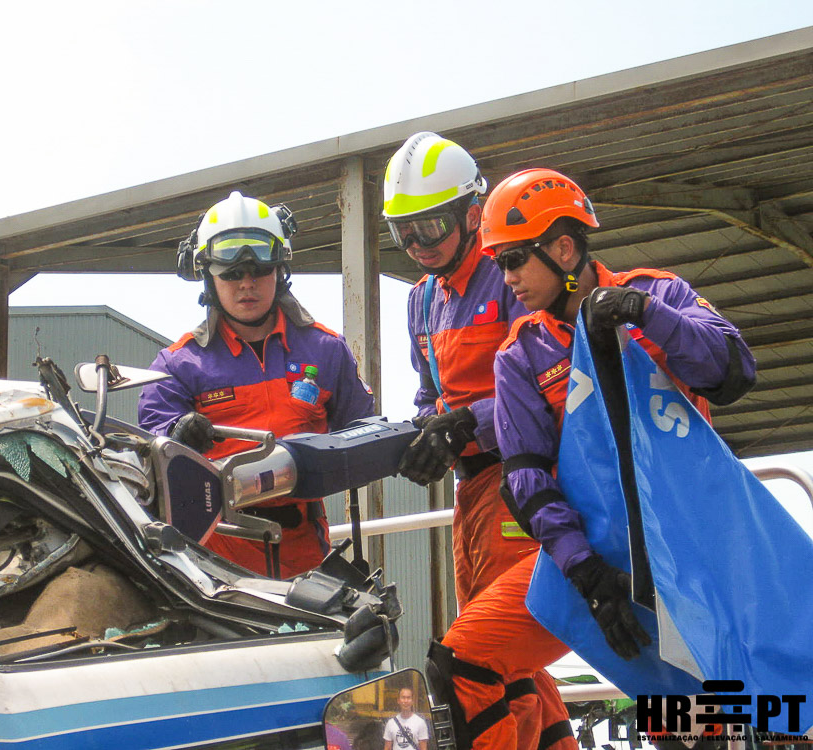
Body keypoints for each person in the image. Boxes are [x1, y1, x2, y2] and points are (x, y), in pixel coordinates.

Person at [424, 167, 756, 750]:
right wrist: (588, 576)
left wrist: (642, 315)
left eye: (515, 260)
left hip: (690, 551)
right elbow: (526, 479)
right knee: (460, 663)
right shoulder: (521, 351)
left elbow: (732, 370)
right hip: (593, 560)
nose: (506, 279)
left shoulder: (658, 292)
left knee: (694, 732)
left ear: (563, 247)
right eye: (499, 262)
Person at [384, 133, 572, 749]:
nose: (417, 245)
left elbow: (553, 380)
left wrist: (472, 422)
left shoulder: (511, 274)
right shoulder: (422, 301)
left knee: (481, 659)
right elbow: (428, 395)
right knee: (508, 656)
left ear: (471, 215)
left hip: (522, 481)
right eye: (402, 232)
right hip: (470, 493)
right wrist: (424, 435)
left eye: (429, 227)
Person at [138, 190, 374, 579]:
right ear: (209, 277)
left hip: (305, 558)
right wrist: (175, 434)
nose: (246, 283)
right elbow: (150, 446)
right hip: (211, 564)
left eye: (259, 271)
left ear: (280, 270)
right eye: (231, 273)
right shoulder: (177, 365)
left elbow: (366, 434)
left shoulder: (326, 350)